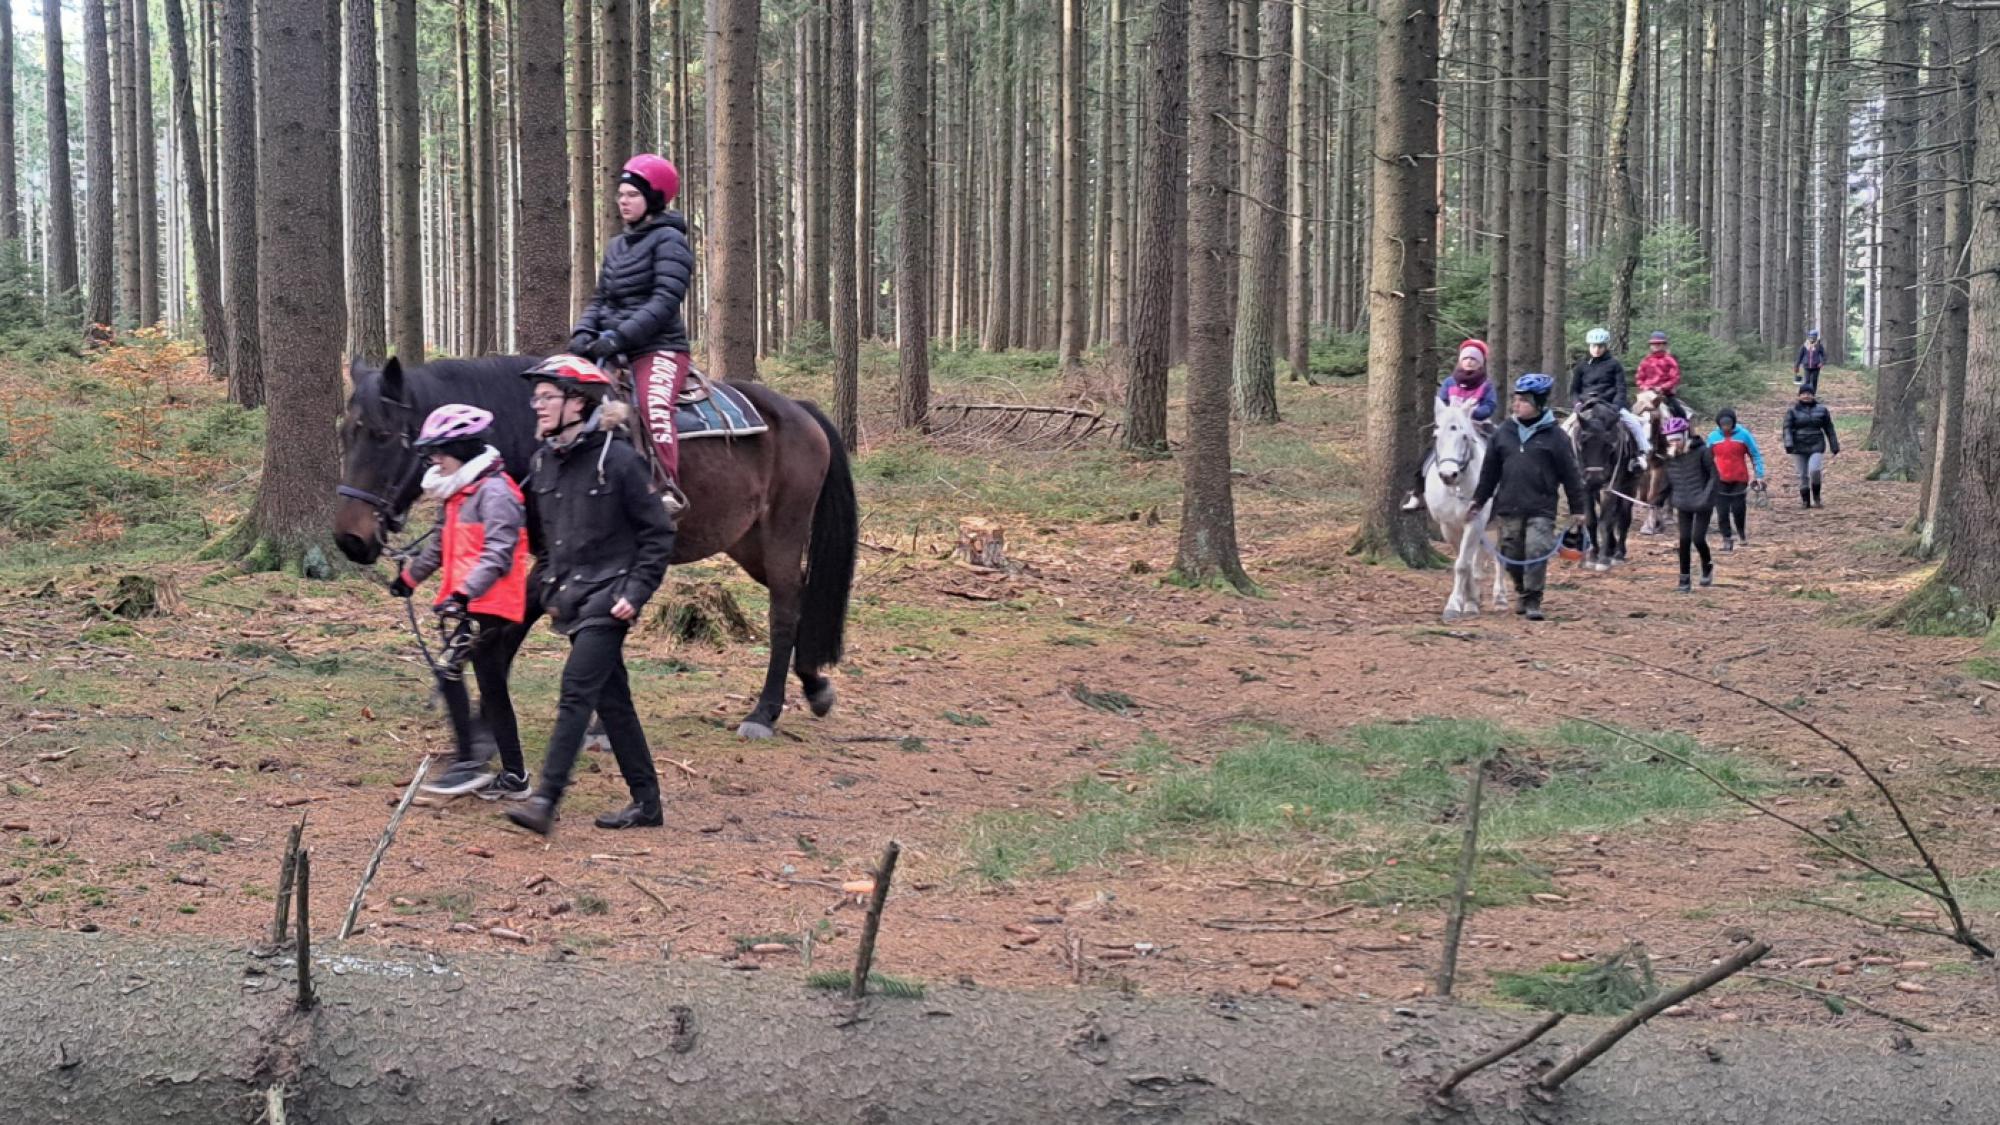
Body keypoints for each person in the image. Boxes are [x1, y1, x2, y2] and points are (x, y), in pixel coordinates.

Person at [506, 355, 677, 836]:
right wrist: (548, 585)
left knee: (576, 691)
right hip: (571, 599)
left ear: (578, 403)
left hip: (610, 598)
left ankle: (545, 799)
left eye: (547, 397)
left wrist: (636, 591)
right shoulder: (542, 463)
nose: (538, 405)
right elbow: (545, 538)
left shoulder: (618, 460)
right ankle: (647, 803)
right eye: (536, 397)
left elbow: (658, 534)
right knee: (613, 701)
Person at [391, 405, 534, 799]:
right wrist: (409, 578)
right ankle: (513, 776)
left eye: (441, 451)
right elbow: (440, 544)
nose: (435, 460)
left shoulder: (496, 492)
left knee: (457, 674)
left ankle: (471, 763)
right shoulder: (459, 494)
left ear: (462, 449)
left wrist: (463, 592)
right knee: (486, 686)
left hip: (493, 606)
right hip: (472, 604)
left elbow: (499, 552)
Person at [569, 153, 696, 512]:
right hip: (612, 347)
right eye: (621, 194)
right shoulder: (617, 245)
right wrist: (583, 332)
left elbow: (665, 300)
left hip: (659, 348)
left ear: (653, 198)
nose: (623, 201)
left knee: (653, 405)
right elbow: (601, 298)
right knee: (564, 398)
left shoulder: (670, 241)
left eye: (633, 195)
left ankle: (666, 486)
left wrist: (619, 337)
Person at [1470, 373, 1587, 622]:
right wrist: (1478, 501)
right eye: (1515, 399)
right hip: (1508, 506)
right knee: (1511, 554)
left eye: (1523, 400)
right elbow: (1489, 473)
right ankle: (1522, 590)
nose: (1516, 404)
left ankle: (1534, 599)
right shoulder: (1503, 433)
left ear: (1538, 403)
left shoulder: (1557, 437)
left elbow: (1571, 475)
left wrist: (1578, 508)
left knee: (1536, 550)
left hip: (1541, 508)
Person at [1401, 339, 1498, 512]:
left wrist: (1474, 412)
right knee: (1427, 455)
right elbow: (1443, 402)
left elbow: (1490, 406)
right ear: (1460, 361)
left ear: (1480, 364)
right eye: (1466, 358)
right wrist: (1449, 413)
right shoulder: (1449, 382)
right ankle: (1417, 493)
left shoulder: (1486, 385)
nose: (1469, 361)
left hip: (1477, 424)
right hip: (1451, 426)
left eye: (1474, 359)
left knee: (1497, 450)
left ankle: (1502, 493)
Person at [1565, 326, 1652, 469]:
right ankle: (1566, 462)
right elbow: (1574, 390)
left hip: (1610, 405)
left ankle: (1640, 455)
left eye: (1600, 346)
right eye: (1593, 346)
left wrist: (1616, 406)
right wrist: (1577, 404)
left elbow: (1621, 388)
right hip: (1586, 406)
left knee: (1635, 425)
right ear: (1589, 346)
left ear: (1605, 347)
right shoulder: (1581, 367)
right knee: (1564, 428)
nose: (1596, 349)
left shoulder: (1614, 365)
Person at [1659, 416, 1720, 592]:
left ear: (1685, 436)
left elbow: (1714, 477)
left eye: (1677, 439)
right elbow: (1667, 482)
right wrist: (1657, 501)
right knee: (1684, 540)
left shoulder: (1703, 452)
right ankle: (1684, 579)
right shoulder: (1670, 458)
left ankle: (1707, 565)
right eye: (1671, 440)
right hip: (1683, 502)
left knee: (1698, 538)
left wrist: (1705, 498)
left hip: (1702, 502)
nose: (1674, 444)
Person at [1706, 407, 1766, 552]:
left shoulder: (1744, 435)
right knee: (1722, 512)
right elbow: (1706, 459)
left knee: (1738, 509)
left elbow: (1755, 455)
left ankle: (1741, 532)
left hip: (1739, 478)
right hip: (1720, 479)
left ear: (1733, 423)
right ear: (1719, 424)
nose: (1726, 427)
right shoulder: (1713, 437)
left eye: (1729, 424)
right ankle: (1727, 538)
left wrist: (1759, 475)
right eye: (1723, 424)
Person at [1782, 385, 1839, 509]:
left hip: (1816, 444)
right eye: (1803, 394)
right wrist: (1788, 443)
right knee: (1802, 474)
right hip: (1798, 445)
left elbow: (1829, 428)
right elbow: (1787, 428)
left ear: (1813, 395)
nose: (1806, 396)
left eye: (1809, 394)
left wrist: (1834, 445)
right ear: (1799, 396)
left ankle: (1817, 497)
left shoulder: (1822, 410)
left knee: (1815, 470)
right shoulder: (1792, 411)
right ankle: (1805, 501)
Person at [1635, 330, 1686, 419]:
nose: (1655, 346)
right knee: (1634, 412)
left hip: (1665, 394)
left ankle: (1686, 426)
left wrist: (1662, 387)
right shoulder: (1645, 361)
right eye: (1653, 344)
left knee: (1681, 413)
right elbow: (1639, 378)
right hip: (1647, 393)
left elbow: (1674, 378)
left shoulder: (1670, 360)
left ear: (1664, 345)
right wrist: (1644, 387)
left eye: (1658, 344)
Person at [1794, 329, 1827, 393]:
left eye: (1813, 337)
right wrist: (1796, 366)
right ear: (1809, 336)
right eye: (1811, 336)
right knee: (1807, 381)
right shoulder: (1804, 346)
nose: (1812, 338)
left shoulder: (1819, 346)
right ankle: (1806, 393)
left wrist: (1822, 363)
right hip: (1806, 366)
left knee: (1814, 381)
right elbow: (1799, 356)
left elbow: (1824, 356)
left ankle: (1813, 394)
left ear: (1816, 337)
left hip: (1816, 367)